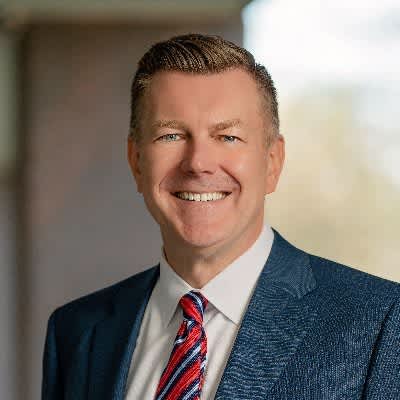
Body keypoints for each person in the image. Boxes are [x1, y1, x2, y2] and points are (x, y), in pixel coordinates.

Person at [42, 34, 400, 400]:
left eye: (227, 137)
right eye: (171, 136)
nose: (198, 162)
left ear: (272, 162)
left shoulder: (380, 323)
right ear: (136, 161)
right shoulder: (77, 332)